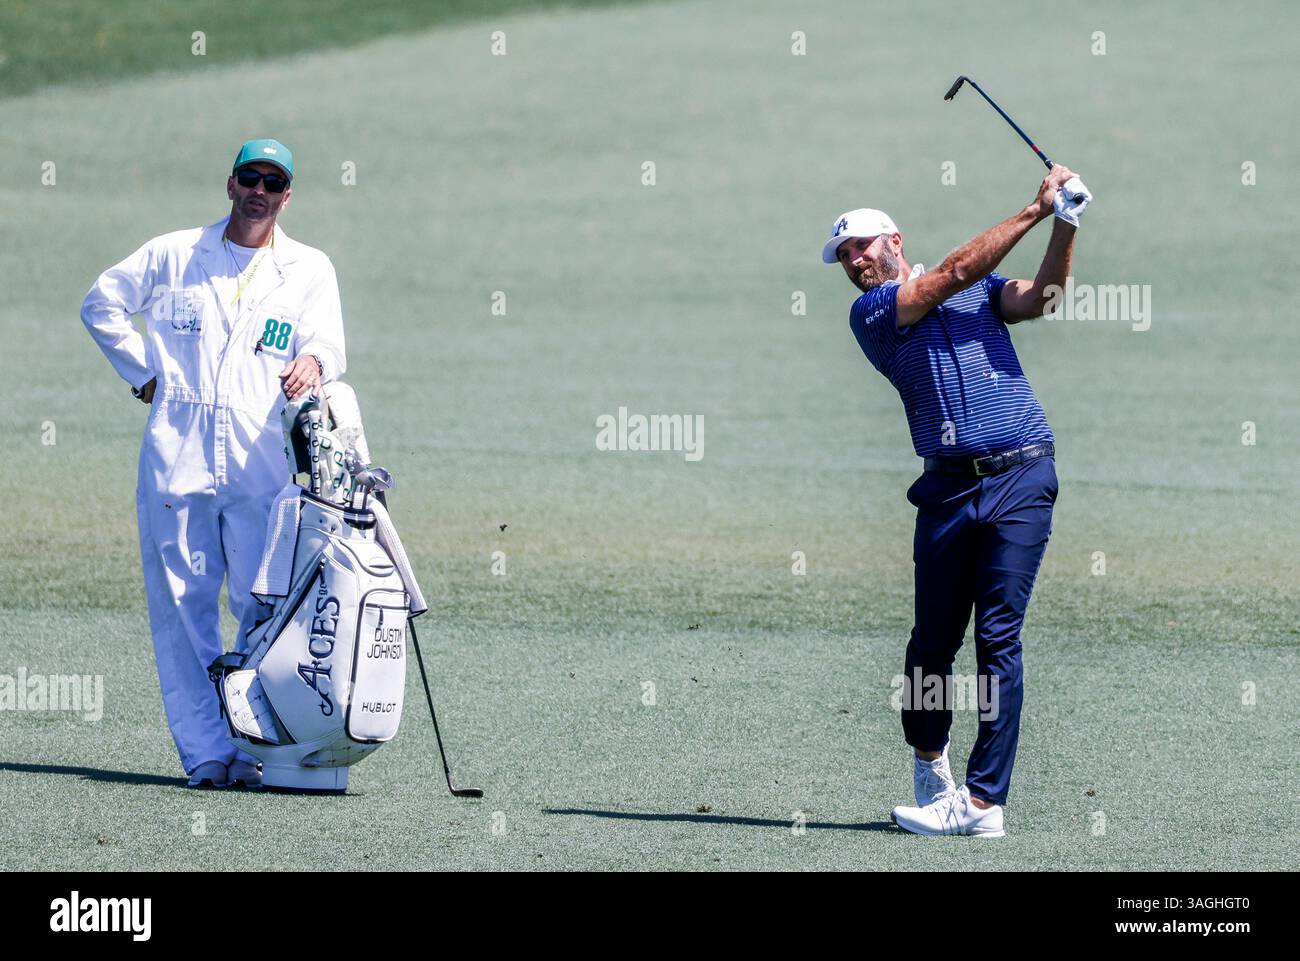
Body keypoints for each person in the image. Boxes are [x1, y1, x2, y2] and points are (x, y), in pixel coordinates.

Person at [822, 165, 1092, 837]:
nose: (854, 261)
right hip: (946, 488)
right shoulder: (877, 312)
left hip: (1022, 474)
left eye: (860, 245)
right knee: (931, 647)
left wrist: (1066, 222)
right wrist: (1033, 210)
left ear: (892, 239)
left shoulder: (980, 290)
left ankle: (980, 801)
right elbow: (948, 276)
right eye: (844, 256)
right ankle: (929, 766)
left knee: (999, 636)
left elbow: (1044, 297)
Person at [81, 138, 347, 789]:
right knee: (182, 605)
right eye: (250, 177)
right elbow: (101, 302)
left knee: (264, 603)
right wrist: (144, 373)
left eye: (274, 182)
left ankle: (255, 748)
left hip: (261, 458)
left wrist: (314, 362)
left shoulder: (309, 268)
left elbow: (327, 345)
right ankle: (205, 751)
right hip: (178, 453)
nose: (260, 190)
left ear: (288, 196)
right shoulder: (175, 254)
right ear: (230, 185)